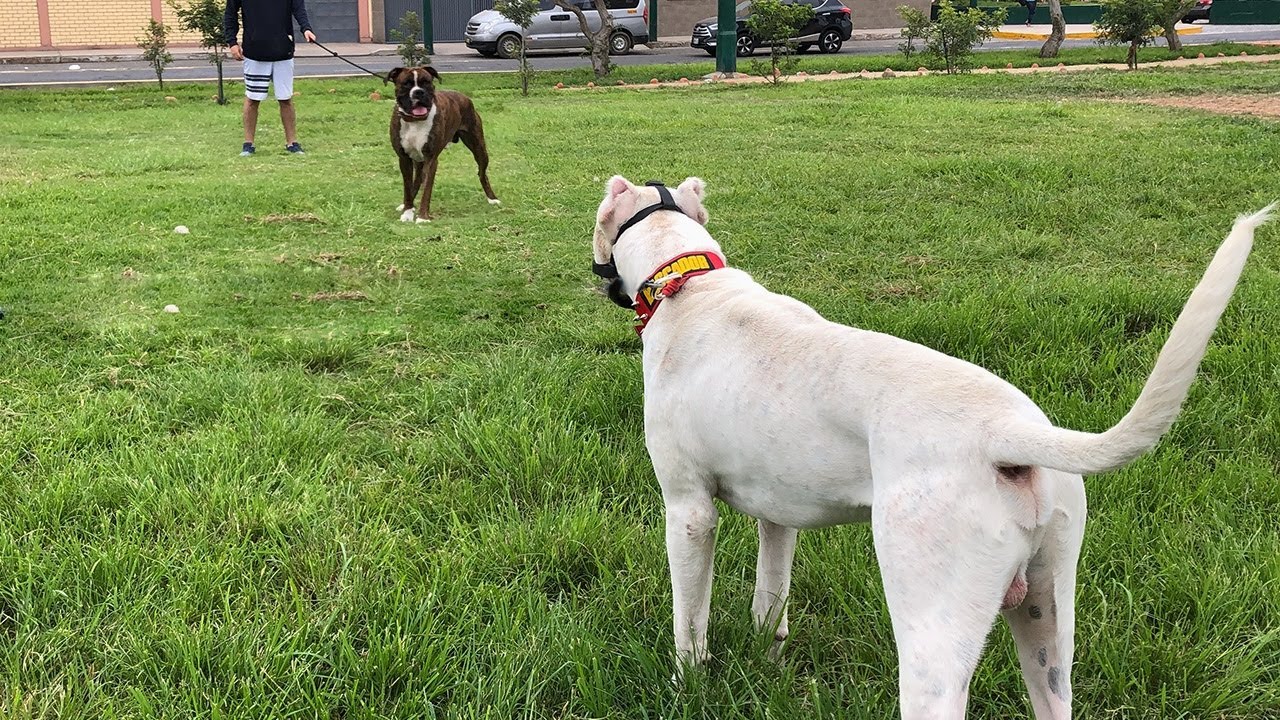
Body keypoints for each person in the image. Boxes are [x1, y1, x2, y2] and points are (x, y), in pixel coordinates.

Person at [223, 0, 317, 156]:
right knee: (252, 99)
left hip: (283, 51)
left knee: (285, 99)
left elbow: (299, 8)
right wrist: (232, 42)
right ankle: (248, 144)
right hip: (254, 52)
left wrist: (306, 28)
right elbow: (230, 14)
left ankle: (292, 143)